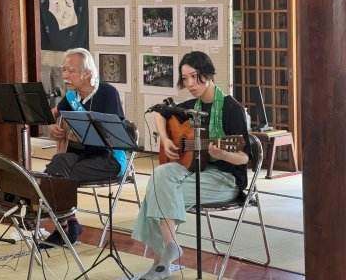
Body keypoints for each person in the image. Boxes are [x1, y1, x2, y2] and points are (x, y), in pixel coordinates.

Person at [132, 51, 252, 280]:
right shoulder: (192, 106)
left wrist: (223, 155)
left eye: (194, 76)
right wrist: (166, 139)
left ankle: (162, 262)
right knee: (160, 174)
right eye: (185, 78)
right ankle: (169, 248)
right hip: (196, 170)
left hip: (225, 180)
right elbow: (160, 112)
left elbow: (245, 158)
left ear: (207, 73)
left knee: (156, 193)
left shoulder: (230, 108)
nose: (189, 84)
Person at [43, 47, 127, 247]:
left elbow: (116, 133)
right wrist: (51, 125)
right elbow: (52, 112)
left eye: (70, 71)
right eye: (63, 70)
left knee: (58, 175)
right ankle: (69, 222)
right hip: (83, 154)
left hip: (110, 158)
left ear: (87, 73)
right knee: (58, 162)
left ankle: (64, 225)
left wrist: (88, 135)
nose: (65, 76)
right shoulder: (72, 96)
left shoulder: (107, 93)